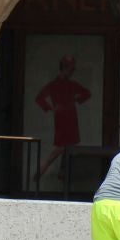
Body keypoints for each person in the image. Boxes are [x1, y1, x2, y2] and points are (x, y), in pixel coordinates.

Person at [33, 55, 92, 184]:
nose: (71, 72)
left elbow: (86, 93)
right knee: (61, 148)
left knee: (67, 147)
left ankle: (60, 172)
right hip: (62, 119)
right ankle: (43, 171)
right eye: (70, 69)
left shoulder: (70, 85)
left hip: (70, 118)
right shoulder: (54, 85)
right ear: (65, 69)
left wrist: (76, 100)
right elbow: (39, 99)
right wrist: (51, 108)